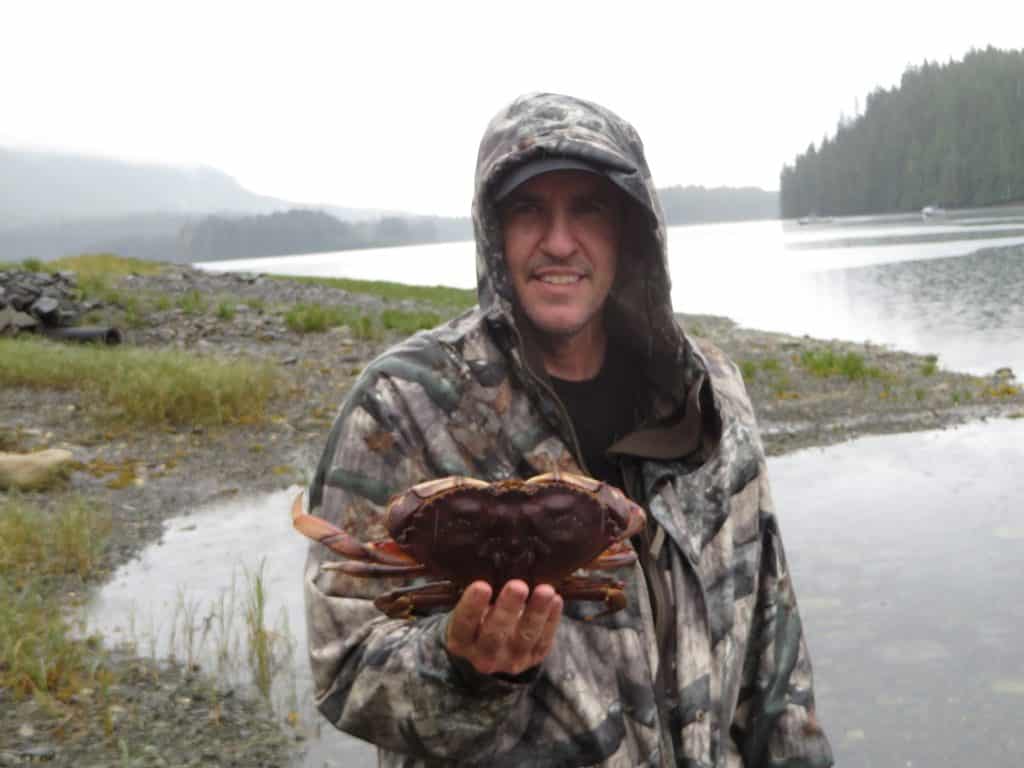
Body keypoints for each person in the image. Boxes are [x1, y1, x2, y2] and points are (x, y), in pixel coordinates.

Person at [303, 92, 834, 767]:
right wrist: (462, 668)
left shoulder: (710, 397)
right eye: (528, 209)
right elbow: (342, 664)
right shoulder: (404, 405)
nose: (559, 241)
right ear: (493, 229)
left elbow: (774, 658)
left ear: (631, 228)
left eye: (588, 207)